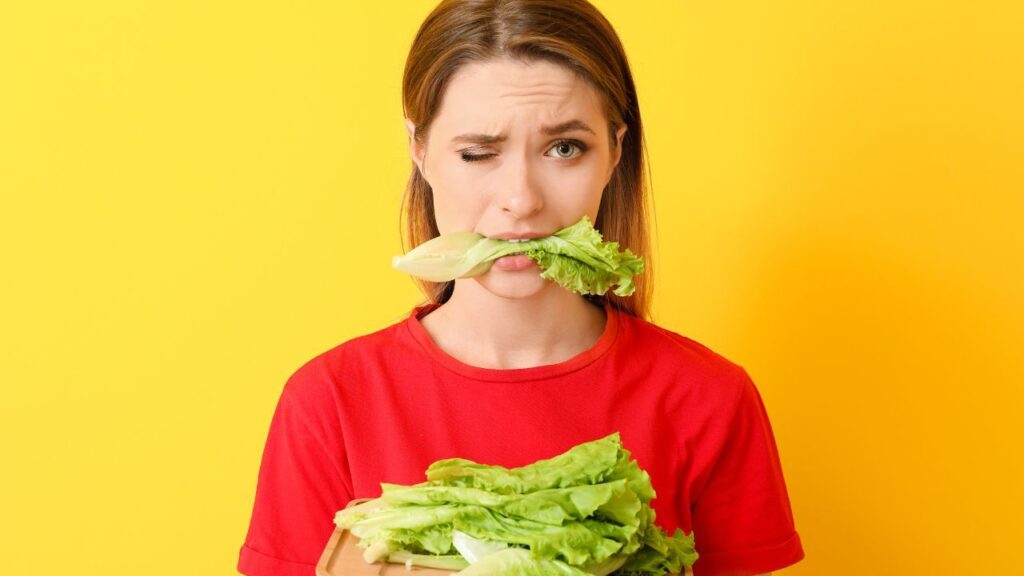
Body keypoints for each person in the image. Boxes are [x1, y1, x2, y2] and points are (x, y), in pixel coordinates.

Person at [237, 1, 804, 575]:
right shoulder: (329, 402)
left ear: (614, 152)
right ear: (421, 152)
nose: (522, 199)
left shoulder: (708, 399)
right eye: (478, 153)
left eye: (564, 148)